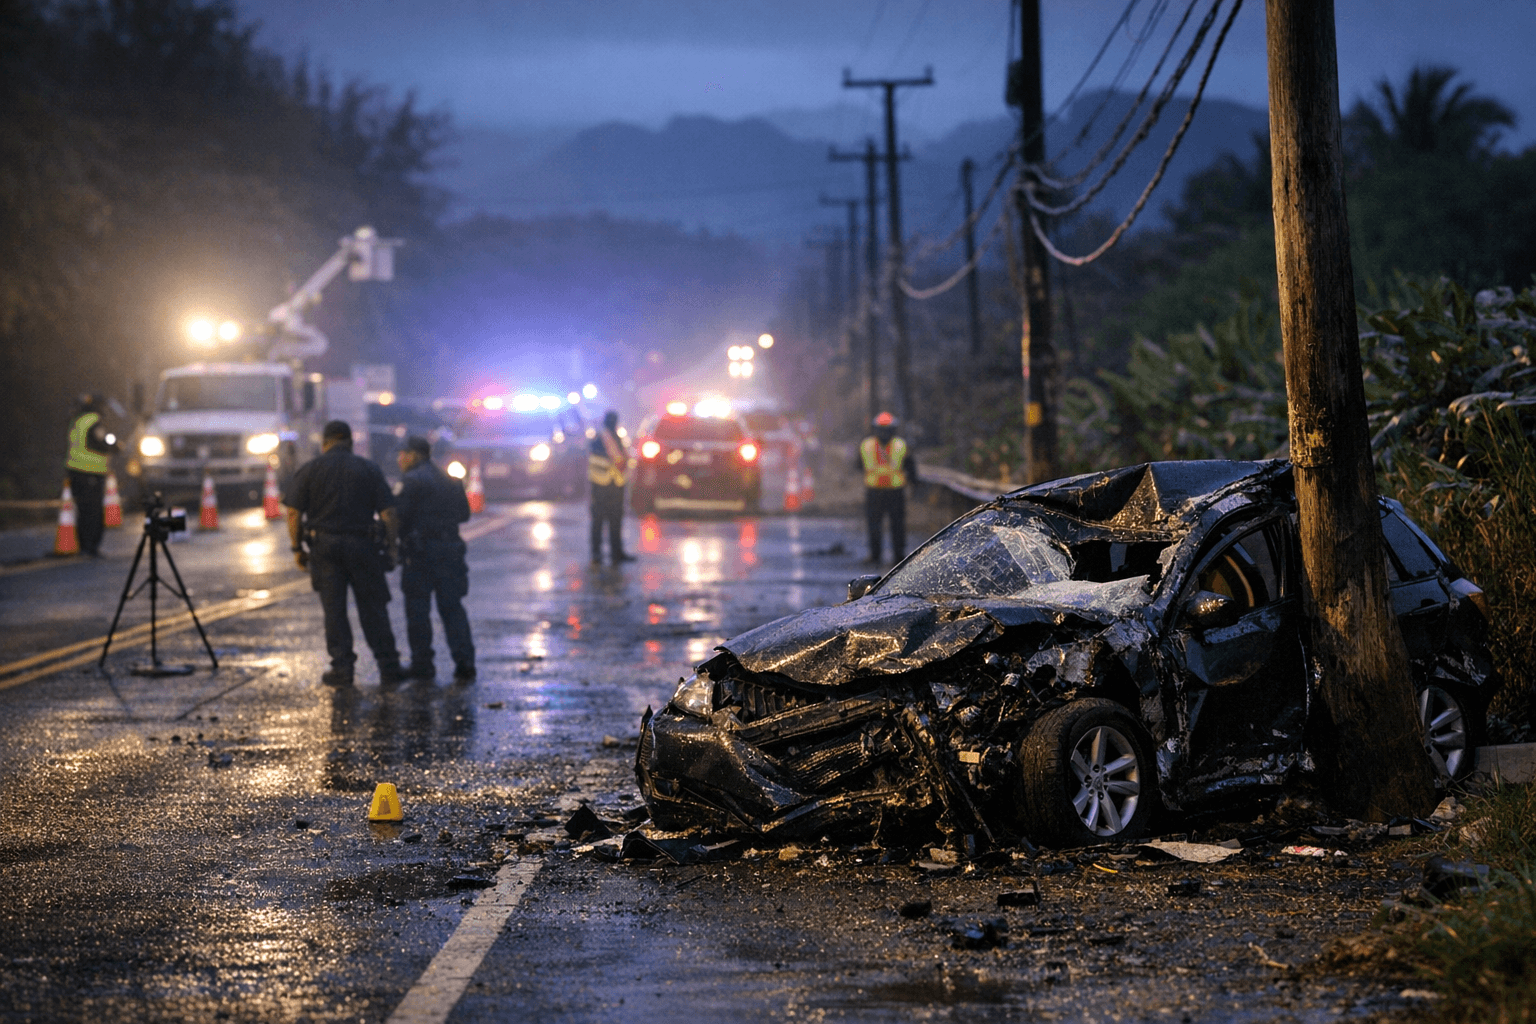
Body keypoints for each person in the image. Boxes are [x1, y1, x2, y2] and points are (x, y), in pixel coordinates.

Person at [283, 420, 403, 687]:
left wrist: (296, 549)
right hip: (363, 547)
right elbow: (388, 513)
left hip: (324, 549)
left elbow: (293, 513)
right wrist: (392, 549)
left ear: (324, 443)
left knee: (334, 611)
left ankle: (343, 669)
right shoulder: (368, 469)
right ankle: (389, 666)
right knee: (373, 609)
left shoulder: (310, 470)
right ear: (350, 442)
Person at [395, 436, 476, 682]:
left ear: (411, 455)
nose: (399, 460)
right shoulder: (450, 479)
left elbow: (400, 519)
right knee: (452, 609)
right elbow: (464, 514)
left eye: (402, 454)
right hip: (450, 551)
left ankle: (422, 665)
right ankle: (464, 663)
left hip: (420, 554)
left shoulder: (411, 481)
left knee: (418, 611)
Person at [858, 411, 918, 564]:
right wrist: (914, 484)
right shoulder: (900, 444)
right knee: (885, 525)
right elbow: (910, 467)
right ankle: (891, 556)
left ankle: (885, 555)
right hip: (883, 491)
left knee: (889, 525)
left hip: (887, 491)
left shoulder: (868, 445)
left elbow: (858, 466)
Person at [65, 393, 119, 557]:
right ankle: (91, 547)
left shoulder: (78, 420)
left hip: (75, 471)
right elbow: (103, 442)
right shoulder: (94, 422)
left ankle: (84, 546)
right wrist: (116, 446)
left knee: (83, 510)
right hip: (90, 473)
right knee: (93, 512)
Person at [588, 410, 635, 565]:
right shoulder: (599, 438)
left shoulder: (616, 436)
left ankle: (617, 552)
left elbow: (623, 457)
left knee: (616, 521)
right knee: (599, 521)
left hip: (616, 484)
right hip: (601, 484)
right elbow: (597, 460)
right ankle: (596, 553)